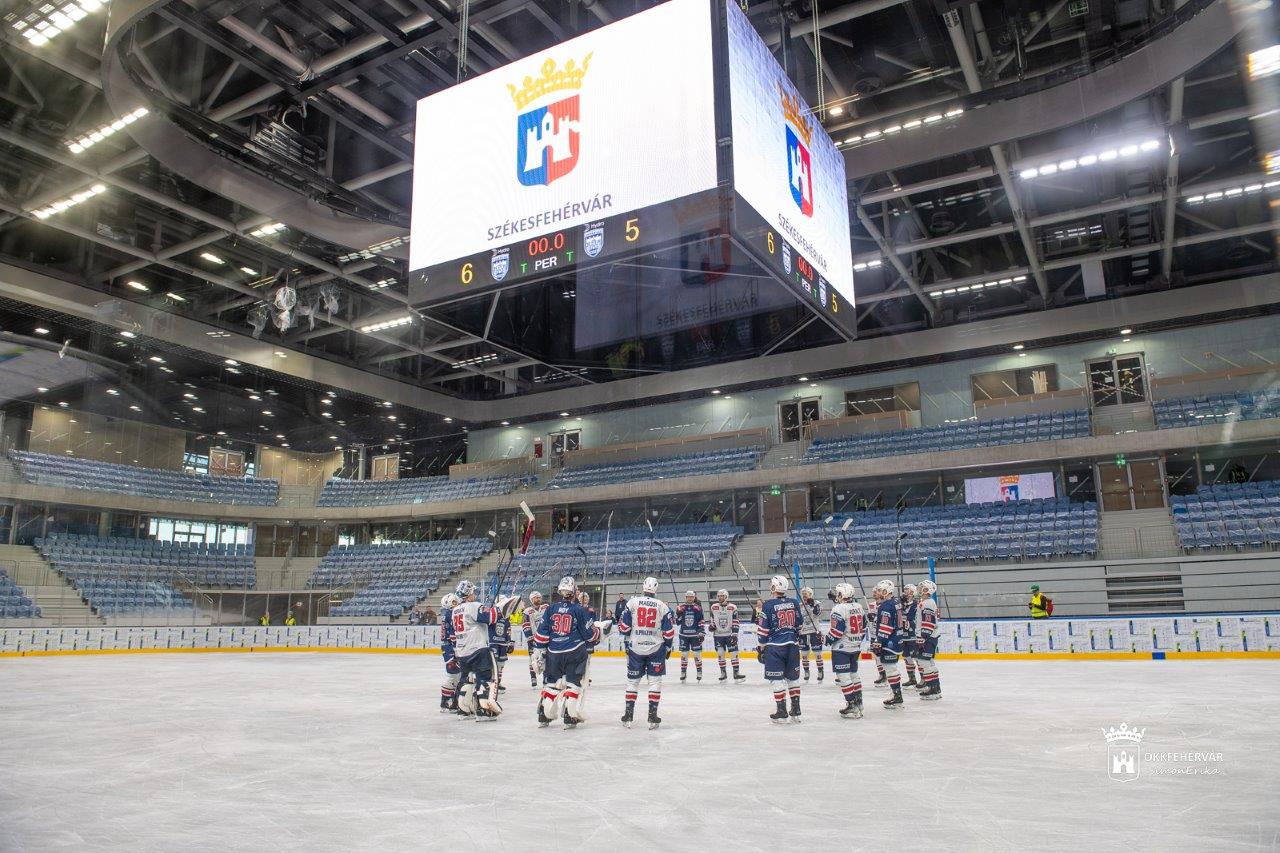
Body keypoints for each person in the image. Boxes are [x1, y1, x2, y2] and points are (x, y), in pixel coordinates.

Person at [534, 576, 603, 728]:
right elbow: (589, 635)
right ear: (573, 591)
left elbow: (541, 636)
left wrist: (541, 652)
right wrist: (599, 632)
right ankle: (569, 716)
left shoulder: (550, 608)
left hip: (553, 653)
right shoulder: (579, 610)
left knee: (552, 684)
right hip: (574, 652)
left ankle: (544, 715)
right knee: (573, 683)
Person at [617, 576, 675, 728]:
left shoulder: (632, 602)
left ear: (643, 587)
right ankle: (652, 716)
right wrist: (668, 647)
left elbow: (624, 628)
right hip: (656, 648)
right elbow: (669, 632)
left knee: (632, 682)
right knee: (655, 682)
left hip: (635, 648)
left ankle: (628, 715)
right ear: (656, 588)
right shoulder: (662, 606)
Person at [451, 580, 505, 721]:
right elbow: (491, 618)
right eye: (473, 592)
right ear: (468, 594)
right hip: (478, 649)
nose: (474, 594)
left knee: (466, 679)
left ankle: (463, 710)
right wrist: (501, 608)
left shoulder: (455, 610)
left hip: (462, 651)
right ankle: (484, 711)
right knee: (485, 678)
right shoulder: (473, 606)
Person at [757, 575, 802, 723]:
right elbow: (799, 625)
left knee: (776, 679)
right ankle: (796, 709)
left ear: (774, 587)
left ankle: (781, 711)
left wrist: (761, 648)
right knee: (793, 678)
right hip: (793, 645)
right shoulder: (794, 602)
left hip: (775, 648)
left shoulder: (768, 605)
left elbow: (763, 631)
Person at [826, 582, 865, 718]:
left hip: (842, 648)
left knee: (843, 676)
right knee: (854, 674)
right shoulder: (858, 606)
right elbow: (864, 625)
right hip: (855, 646)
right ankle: (859, 703)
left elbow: (836, 632)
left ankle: (852, 705)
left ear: (841, 594)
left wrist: (826, 639)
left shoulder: (838, 609)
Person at [871, 579, 905, 710]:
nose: (878, 593)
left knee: (890, 668)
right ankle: (895, 693)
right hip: (897, 639)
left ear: (886, 591)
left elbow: (886, 626)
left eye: (880, 590)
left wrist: (879, 641)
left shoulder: (885, 606)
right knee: (892, 668)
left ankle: (897, 696)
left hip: (889, 642)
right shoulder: (896, 602)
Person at [708, 589, 746, 682]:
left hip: (729, 634)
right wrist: (711, 625)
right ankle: (723, 673)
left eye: (722, 596)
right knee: (720, 653)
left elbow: (736, 621)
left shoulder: (732, 607)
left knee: (734, 653)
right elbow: (712, 619)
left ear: (726, 597)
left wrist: (735, 634)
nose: (720, 597)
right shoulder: (713, 607)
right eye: (719, 596)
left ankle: (736, 673)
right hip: (718, 635)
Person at [916, 579, 942, 701]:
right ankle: (935, 688)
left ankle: (932, 688)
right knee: (930, 662)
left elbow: (928, 622)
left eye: (923, 588)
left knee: (924, 662)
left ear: (927, 590)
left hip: (928, 637)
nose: (920, 589)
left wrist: (922, 637)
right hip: (931, 636)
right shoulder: (928, 602)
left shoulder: (927, 603)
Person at [489, 596, 518, 693]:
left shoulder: (506, 616)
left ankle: (498, 682)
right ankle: (492, 682)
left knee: (501, 664)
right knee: (493, 664)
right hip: (493, 643)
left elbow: (507, 630)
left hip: (503, 644)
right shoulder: (492, 613)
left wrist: (510, 642)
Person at [675, 590, 705, 682]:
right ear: (686, 597)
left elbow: (701, 620)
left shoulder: (698, 608)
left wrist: (701, 632)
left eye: (691, 597)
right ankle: (683, 672)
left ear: (694, 597)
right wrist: (678, 614)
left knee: (697, 654)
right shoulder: (681, 607)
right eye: (688, 597)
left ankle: (699, 672)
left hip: (695, 635)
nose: (690, 598)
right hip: (684, 635)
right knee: (684, 654)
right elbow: (677, 622)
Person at [439, 592, 461, 713]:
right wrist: (457, 649)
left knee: (457, 676)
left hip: (448, 647)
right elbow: (454, 634)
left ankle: (453, 701)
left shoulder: (447, 614)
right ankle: (445, 701)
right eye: (454, 601)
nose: (457, 602)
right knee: (454, 676)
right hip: (451, 648)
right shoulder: (452, 614)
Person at [797, 586, 824, 682]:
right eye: (803, 594)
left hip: (814, 631)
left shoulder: (817, 603)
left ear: (811, 594)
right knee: (804, 654)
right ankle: (806, 671)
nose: (804, 595)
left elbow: (818, 613)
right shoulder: (799, 605)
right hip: (803, 633)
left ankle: (820, 671)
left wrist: (812, 605)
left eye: (806, 594)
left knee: (817, 653)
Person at [522, 591, 547, 688]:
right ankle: (533, 677)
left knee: (545, 658)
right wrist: (530, 637)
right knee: (532, 658)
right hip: (533, 638)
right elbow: (525, 624)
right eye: (536, 597)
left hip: (545, 638)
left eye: (539, 597)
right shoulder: (527, 611)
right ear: (532, 599)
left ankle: (546, 678)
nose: (538, 599)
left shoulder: (546, 607)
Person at [899, 584, 920, 689]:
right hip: (903, 635)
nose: (905, 592)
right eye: (905, 590)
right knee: (907, 657)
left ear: (912, 592)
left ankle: (924, 679)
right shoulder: (901, 604)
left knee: (916, 657)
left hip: (913, 635)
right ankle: (912, 678)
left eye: (907, 590)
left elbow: (911, 617)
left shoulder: (917, 604)